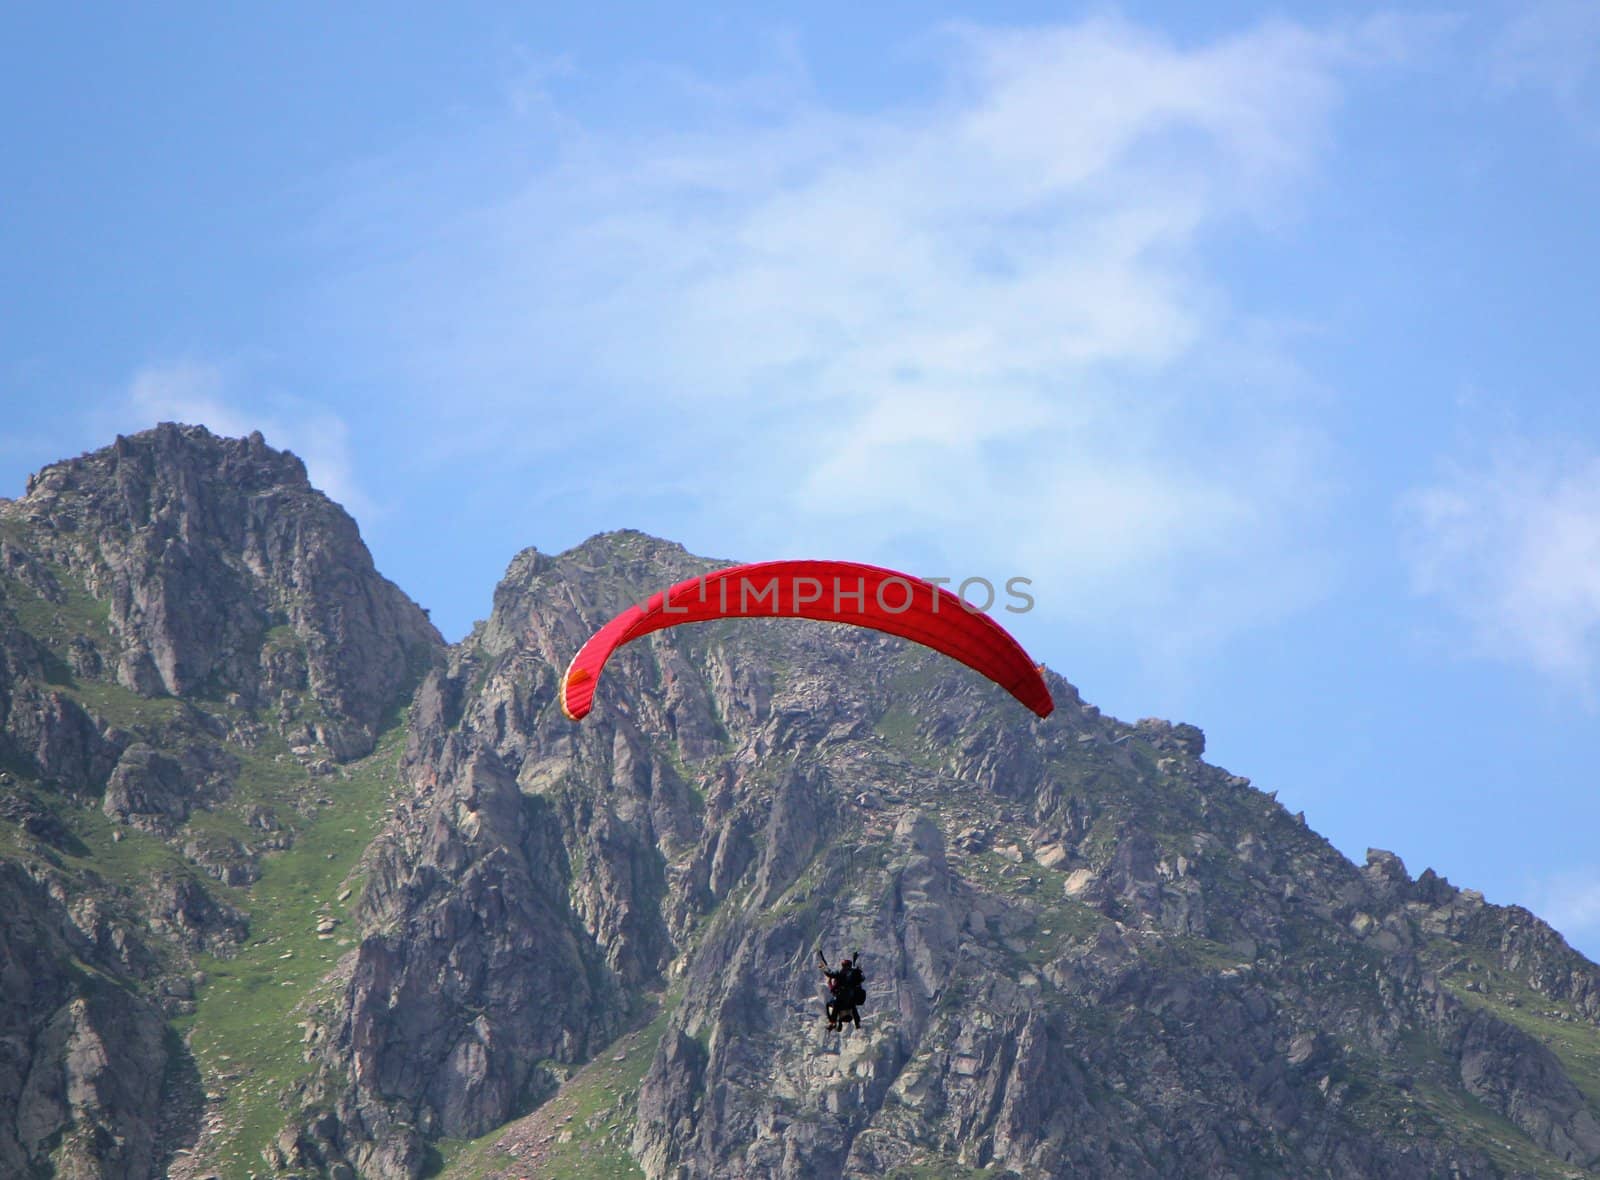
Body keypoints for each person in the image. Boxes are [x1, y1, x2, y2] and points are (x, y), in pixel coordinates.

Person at [817, 950, 866, 1030]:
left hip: (841, 998)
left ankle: (832, 1022)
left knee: (833, 1005)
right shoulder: (854, 974)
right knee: (852, 1005)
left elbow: (829, 973)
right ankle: (858, 1023)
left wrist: (823, 968)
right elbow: (862, 978)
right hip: (851, 998)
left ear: (843, 966)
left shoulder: (840, 973)